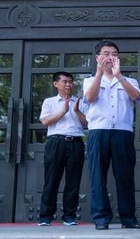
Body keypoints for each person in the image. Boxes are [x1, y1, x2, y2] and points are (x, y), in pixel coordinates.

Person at [83, 40, 140, 230]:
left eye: (114, 54)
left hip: (122, 133)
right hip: (98, 132)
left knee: (125, 176)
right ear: (97, 57)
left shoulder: (129, 80)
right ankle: (101, 218)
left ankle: (128, 218)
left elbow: (135, 97)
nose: (110, 57)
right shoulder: (89, 80)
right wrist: (100, 73)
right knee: (97, 176)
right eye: (106, 53)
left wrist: (119, 76)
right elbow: (90, 98)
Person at [37, 72, 87, 226]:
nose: (68, 85)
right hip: (56, 142)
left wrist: (77, 111)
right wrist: (63, 111)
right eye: (65, 81)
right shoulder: (49, 102)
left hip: (76, 143)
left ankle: (69, 216)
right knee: (51, 180)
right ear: (55, 84)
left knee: (73, 181)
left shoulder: (79, 101)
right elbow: (45, 121)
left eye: (71, 82)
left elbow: (87, 123)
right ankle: (46, 216)